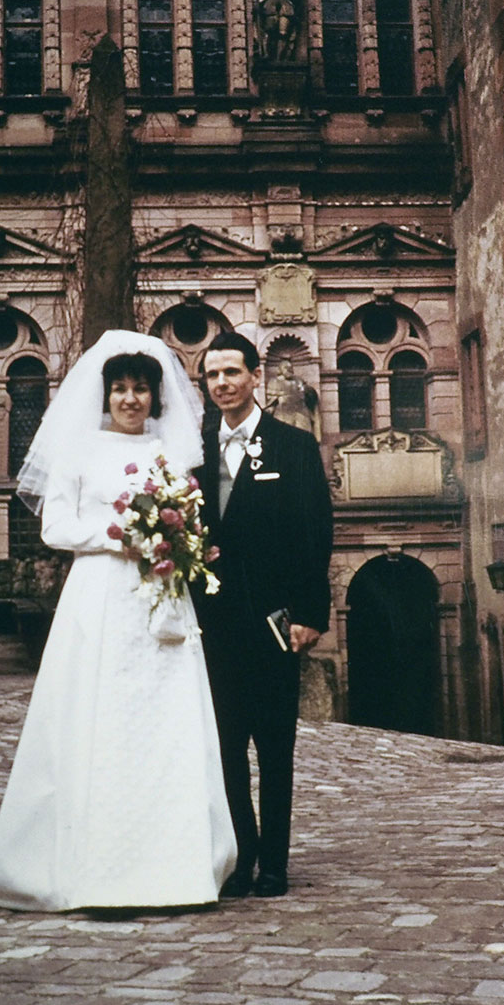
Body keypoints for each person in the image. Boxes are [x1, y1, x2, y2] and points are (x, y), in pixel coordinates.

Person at [0, 330, 236, 912]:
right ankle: (90, 866)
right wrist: (122, 539)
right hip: (100, 596)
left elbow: (187, 519)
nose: (131, 399)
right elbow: (55, 526)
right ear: (105, 395)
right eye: (121, 389)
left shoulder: (170, 455)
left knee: (163, 724)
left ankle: (174, 864)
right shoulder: (79, 452)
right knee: (97, 717)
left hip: (160, 599)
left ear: (155, 398)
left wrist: (170, 540)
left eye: (141, 389)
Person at [193, 331, 332, 898]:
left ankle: (274, 861)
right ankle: (240, 855)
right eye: (212, 375)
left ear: (255, 377)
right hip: (212, 627)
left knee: (275, 749)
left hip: (276, 622)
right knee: (224, 749)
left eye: (231, 372)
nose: (222, 383)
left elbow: (315, 534)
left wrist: (310, 613)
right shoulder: (190, 451)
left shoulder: (292, 447)